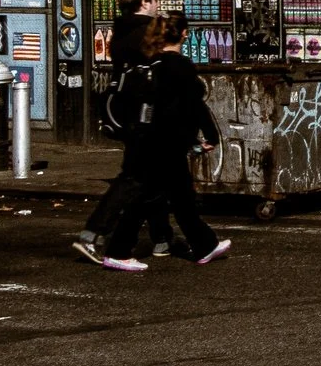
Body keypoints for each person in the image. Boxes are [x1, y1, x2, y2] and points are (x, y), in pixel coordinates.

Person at [85, 14, 229, 272]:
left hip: (149, 138)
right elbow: (194, 105)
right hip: (168, 141)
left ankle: (204, 245)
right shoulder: (180, 66)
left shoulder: (151, 63)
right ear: (183, 34)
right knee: (151, 198)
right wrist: (210, 136)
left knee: (175, 196)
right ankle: (119, 250)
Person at [78, 0, 174, 255]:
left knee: (152, 177)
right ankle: (94, 233)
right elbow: (160, 70)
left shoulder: (121, 31)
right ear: (144, 2)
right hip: (143, 115)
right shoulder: (146, 33)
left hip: (128, 111)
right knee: (134, 176)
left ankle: (162, 238)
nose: (158, 4)